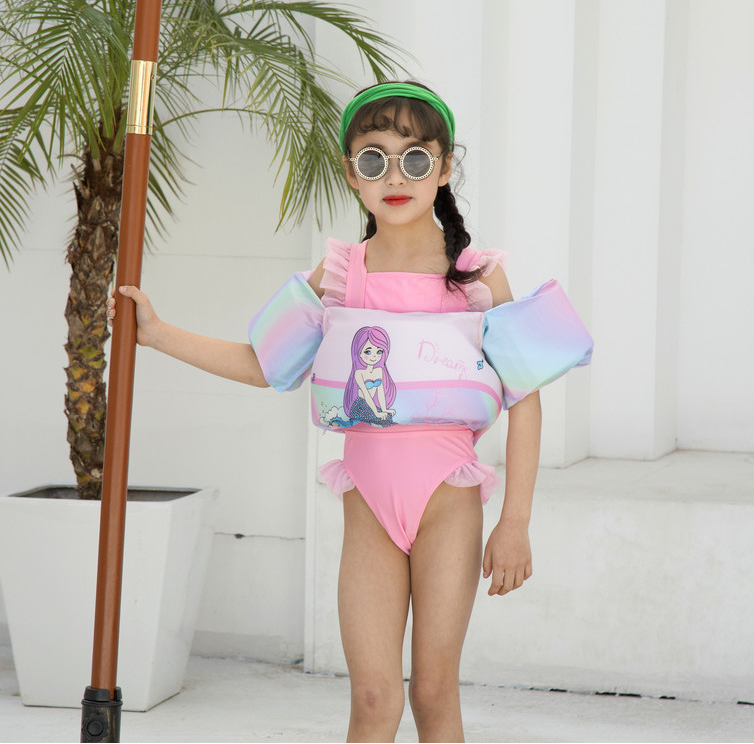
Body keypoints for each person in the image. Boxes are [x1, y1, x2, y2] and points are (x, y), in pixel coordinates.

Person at [108, 81, 592, 742]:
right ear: (350, 172)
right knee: (371, 699)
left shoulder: (478, 276)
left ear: (444, 168)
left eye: (414, 159)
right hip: (369, 504)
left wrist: (515, 522)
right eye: (374, 159)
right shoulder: (340, 273)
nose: (395, 177)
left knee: (433, 692)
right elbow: (266, 364)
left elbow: (525, 398)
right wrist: (158, 335)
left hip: (448, 501)